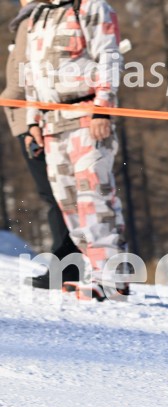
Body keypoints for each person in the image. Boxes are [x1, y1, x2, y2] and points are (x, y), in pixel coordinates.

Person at [24, 0, 125, 300]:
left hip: (85, 116)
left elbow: (109, 56)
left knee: (94, 198)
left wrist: (103, 109)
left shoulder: (91, 6)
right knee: (69, 205)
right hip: (52, 123)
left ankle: (112, 278)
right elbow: (30, 72)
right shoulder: (39, 14)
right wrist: (33, 122)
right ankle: (95, 272)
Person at [2, 0, 81, 287]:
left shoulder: (37, 18)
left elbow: (28, 72)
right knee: (56, 195)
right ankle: (71, 264)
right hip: (28, 118)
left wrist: (21, 110)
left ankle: (68, 266)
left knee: (56, 195)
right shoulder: (30, 18)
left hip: (33, 119)